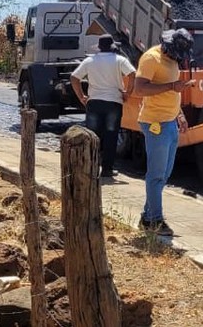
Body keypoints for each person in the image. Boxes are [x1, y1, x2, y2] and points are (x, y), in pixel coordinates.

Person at [133, 28, 195, 236]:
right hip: (155, 123)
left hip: (169, 122)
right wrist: (171, 86)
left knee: (164, 174)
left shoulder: (171, 60)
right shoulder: (151, 59)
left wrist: (180, 115)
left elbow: (172, 93)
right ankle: (156, 222)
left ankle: (148, 217)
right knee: (156, 175)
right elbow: (139, 89)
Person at [70, 35, 136, 181]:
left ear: (99, 48)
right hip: (113, 102)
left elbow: (74, 78)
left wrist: (81, 96)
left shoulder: (89, 61)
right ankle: (107, 170)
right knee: (111, 136)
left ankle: (91, 167)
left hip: (94, 103)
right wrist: (127, 93)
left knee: (93, 135)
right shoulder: (120, 60)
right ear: (113, 47)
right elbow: (132, 74)